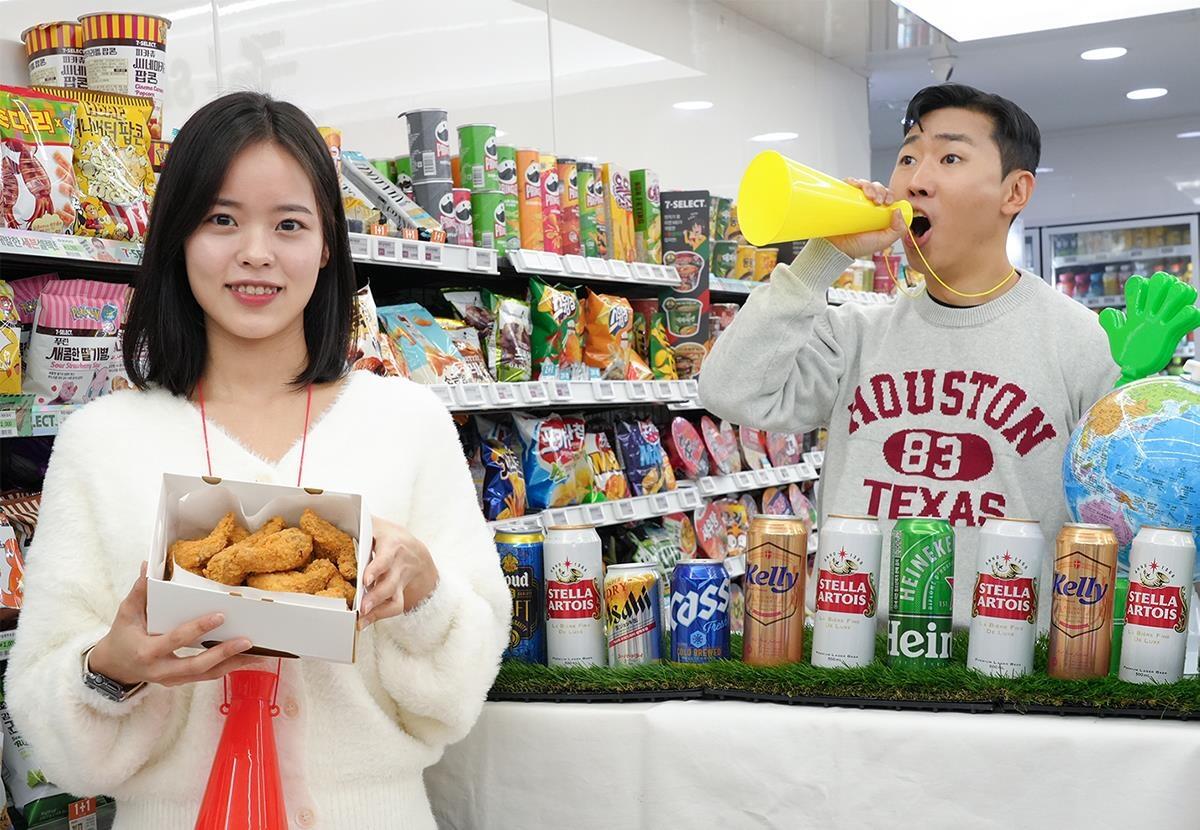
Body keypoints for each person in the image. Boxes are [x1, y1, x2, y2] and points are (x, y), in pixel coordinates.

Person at [6, 92, 510, 828]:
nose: (256, 252)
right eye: (221, 219)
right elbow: (49, 723)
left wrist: (425, 594)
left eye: (289, 224)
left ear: (327, 245)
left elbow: (461, 696)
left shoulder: (408, 423)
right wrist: (109, 670)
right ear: (177, 234)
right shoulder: (101, 441)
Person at [700, 83, 1122, 625]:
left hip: (1008, 666)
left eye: (949, 157)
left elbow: (1122, 515)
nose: (916, 180)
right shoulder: (854, 334)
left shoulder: (1081, 342)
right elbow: (728, 391)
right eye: (907, 158)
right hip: (850, 658)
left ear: (1014, 192)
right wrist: (820, 259)